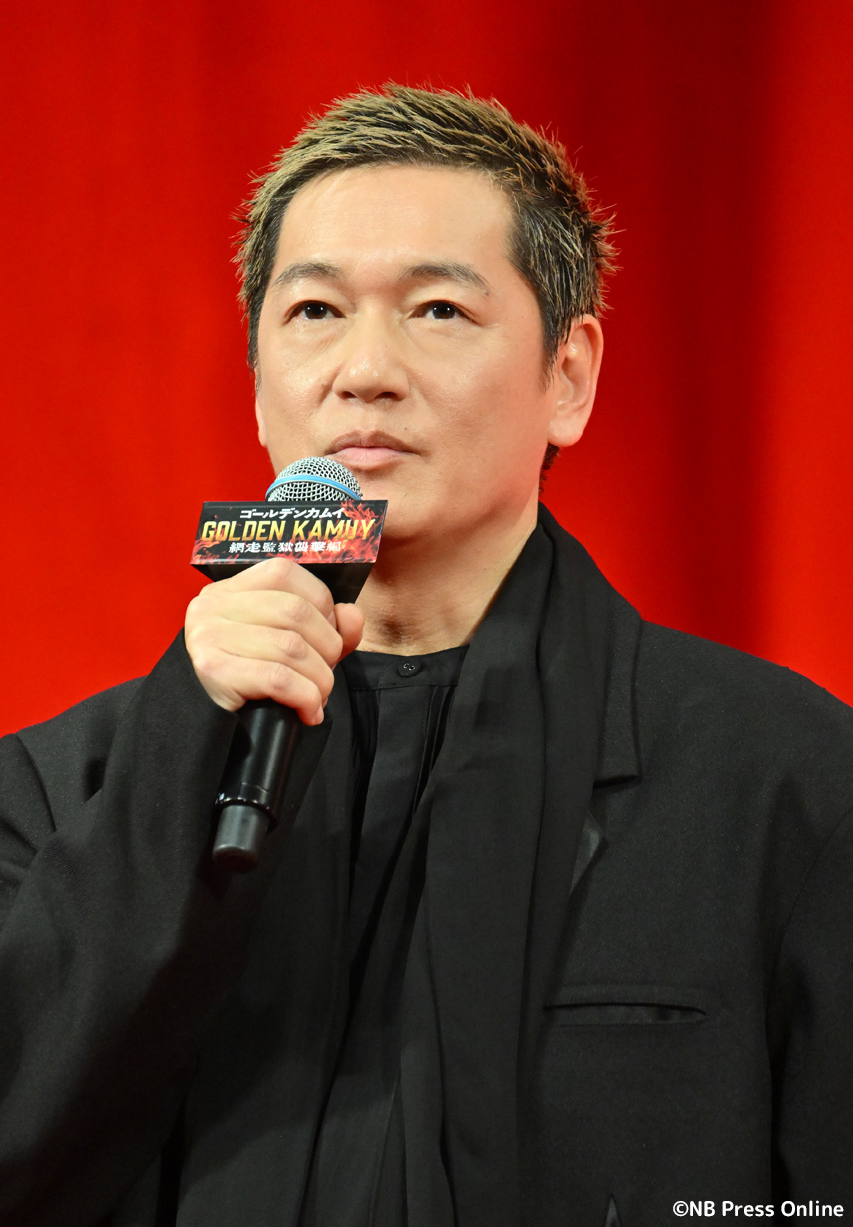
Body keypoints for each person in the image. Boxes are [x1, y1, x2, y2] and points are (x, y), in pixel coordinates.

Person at [0, 84, 851, 1227]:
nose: (364, 369)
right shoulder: (59, 792)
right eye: (313, 311)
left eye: (438, 309)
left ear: (568, 376)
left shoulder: (786, 783)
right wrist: (179, 759)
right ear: (258, 386)